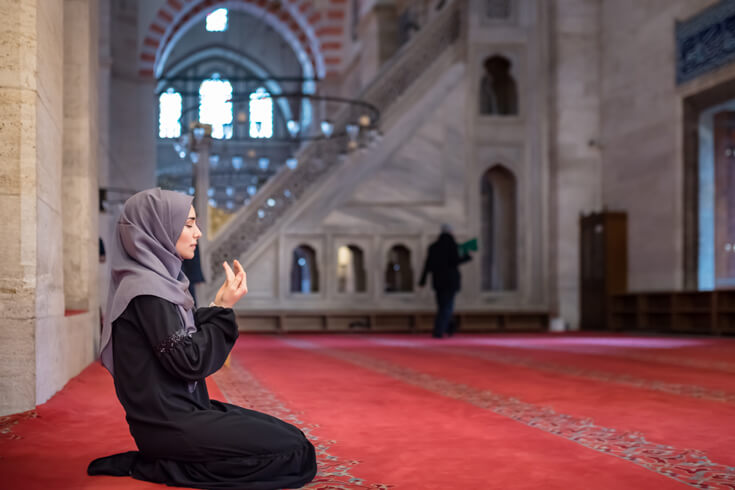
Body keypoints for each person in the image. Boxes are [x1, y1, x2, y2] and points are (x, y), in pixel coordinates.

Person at [87, 188, 317, 489]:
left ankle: (166, 460)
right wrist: (222, 310)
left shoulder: (160, 284)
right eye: (188, 224)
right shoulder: (146, 292)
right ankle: (160, 466)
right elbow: (190, 361)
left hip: (190, 411)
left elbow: (183, 340)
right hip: (170, 424)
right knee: (294, 454)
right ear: (159, 228)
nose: (199, 232)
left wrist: (217, 307)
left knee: (295, 439)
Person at [419, 224, 472, 338]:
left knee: (443, 306)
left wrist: (422, 280)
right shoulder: (454, 246)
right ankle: (439, 331)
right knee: (447, 306)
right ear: (451, 233)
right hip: (451, 281)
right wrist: (465, 250)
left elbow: (428, 265)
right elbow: (466, 258)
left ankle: (448, 328)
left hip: (438, 281)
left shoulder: (434, 247)